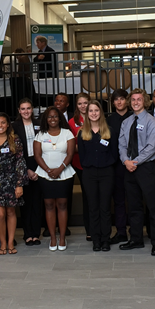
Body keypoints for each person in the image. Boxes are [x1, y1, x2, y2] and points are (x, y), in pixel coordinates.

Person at [117, 88, 155, 255]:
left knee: (153, 206)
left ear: (145, 101)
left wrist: (134, 162)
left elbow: (151, 147)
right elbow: (122, 144)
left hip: (146, 168)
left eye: (139, 99)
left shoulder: (151, 121)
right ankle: (136, 239)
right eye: (133, 99)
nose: (136, 102)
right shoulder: (126, 122)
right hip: (129, 168)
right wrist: (126, 161)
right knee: (133, 206)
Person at [0, 112, 27, 255]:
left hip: (11, 181)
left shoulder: (15, 140)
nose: (0, 125)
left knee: (11, 212)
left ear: (8, 125)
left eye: (3, 123)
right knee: (0, 214)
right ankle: (2, 244)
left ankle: (10, 243)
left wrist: (19, 184)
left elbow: (20, 162)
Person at [77, 100, 118, 252]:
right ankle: (96, 240)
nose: (93, 113)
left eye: (96, 110)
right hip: (89, 174)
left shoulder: (109, 131)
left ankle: (105, 239)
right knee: (93, 207)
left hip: (107, 173)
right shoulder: (82, 133)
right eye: (91, 111)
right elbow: (82, 156)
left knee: (105, 207)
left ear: (101, 112)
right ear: (87, 114)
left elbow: (114, 153)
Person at [34, 106, 76, 251]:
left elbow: (70, 154)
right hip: (45, 175)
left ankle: (62, 238)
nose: (53, 119)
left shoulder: (67, 133)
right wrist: (48, 170)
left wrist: (59, 169)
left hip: (64, 174)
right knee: (49, 205)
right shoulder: (40, 135)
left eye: (55, 116)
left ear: (60, 118)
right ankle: (53, 238)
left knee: (62, 205)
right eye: (50, 116)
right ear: (46, 119)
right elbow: (37, 155)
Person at [12, 98, 41, 246]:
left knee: (37, 202)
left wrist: (39, 169)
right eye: (23, 109)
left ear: (32, 109)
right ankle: (28, 234)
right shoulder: (14, 126)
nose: (26, 111)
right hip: (22, 165)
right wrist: (26, 169)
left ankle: (36, 234)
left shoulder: (39, 124)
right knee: (26, 202)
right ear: (19, 110)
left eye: (28, 108)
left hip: (39, 165)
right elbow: (15, 151)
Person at [106, 89, 131, 243]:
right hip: (116, 166)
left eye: (122, 98)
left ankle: (135, 231)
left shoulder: (134, 117)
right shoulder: (109, 120)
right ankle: (121, 232)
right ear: (113, 102)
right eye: (116, 99)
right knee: (119, 200)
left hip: (134, 164)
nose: (119, 102)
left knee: (134, 199)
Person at [68, 93, 90, 239]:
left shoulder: (95, 116)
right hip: (79, 163)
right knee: (86, 196)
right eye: (80, 103)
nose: (83, 106)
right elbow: (71, 145)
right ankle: (89, 230)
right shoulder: (72, 122)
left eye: (85, 103)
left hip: (95, 162)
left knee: (92, 196)